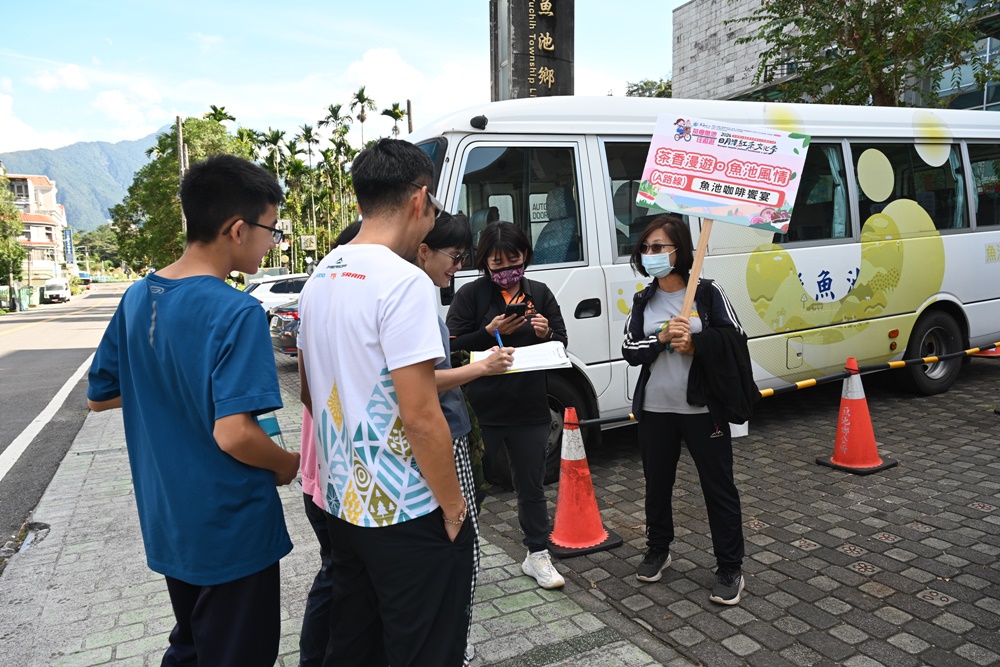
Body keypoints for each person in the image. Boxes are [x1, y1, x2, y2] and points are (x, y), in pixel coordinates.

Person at [86, 154, 301, 666]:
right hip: (230, 525)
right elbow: (234, 435)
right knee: (237, 653)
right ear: (235, 228)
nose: (273, 241)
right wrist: (288, 463)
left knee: (192, 644)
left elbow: (100, 395)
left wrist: (167, 387)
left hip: (169, 518)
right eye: (270, 229)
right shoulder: (237, 311)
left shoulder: (139, 296)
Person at [297, 138, 473, 667]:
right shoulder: (404, 282)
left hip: (342, 501)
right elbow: (420, 414)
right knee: (424, 648)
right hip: (405, 506)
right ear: (420, 199)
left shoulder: (322, 274)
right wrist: (452, 505)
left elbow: (308, 390)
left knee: (355, 642)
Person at [621, 214, 754, 606]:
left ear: (679, 250)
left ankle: (730, 567)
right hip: (656, 410)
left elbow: (735, 338)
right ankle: (658, 549)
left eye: (658, 247)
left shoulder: (708, 294)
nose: (651, 254)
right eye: (645, 248)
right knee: (656, 485)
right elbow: (629, 350)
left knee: (719, 488)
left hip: (702, 411)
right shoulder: (644, 300)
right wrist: (662, 339)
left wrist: (698, 345)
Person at [446, 221, 568, 590]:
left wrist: (548, 333)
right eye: (496, 264)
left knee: (532, 486)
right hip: (481, 412)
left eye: (513, 261)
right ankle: (461, 558)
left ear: (526, 257)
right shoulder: (471, 295)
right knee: (475, 489)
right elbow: (451, 345)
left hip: (530, 406)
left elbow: (562, 342)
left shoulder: (540, 293)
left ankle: (537, 554)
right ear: (484, 262)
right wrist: (487, 331)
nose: (505, 271)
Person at [414, 212, 514, 663]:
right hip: (445, 435)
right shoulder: (411, 297)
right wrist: (481, 366)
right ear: (422, 250)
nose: (458, 267)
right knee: (460, 541)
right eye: (455, 257)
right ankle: (456, 636)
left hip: (448, 431)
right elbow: (420, 385)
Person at [297, 220, 361, 667]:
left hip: (319, 475)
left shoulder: (318, 300)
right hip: (333, 475)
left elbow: (305, 391)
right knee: (337, 575)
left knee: (335, 572)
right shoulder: (343, 305)